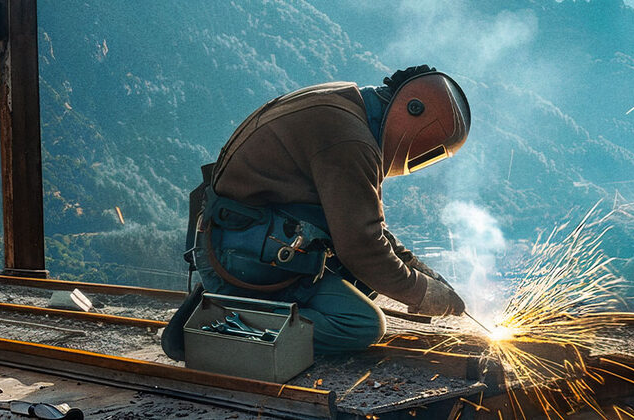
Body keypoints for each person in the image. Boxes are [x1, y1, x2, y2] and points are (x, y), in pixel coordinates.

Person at [162, 65, 473, 360]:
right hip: (239, 254)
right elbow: (362, 247)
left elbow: (361, 220)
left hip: (243, 242)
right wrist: (421, 293)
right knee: (361, 324)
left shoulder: (349, 108)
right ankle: (221, 328)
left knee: (361, 282)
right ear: (414, 111)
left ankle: (239, 303)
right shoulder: (351, 139)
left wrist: (424, 273)